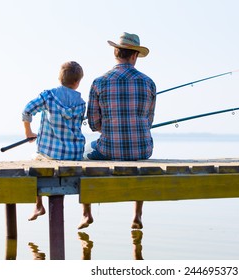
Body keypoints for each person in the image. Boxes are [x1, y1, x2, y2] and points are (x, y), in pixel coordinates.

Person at [81, 32, 156, 230]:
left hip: (109, 149)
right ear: (134, 56)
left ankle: (86, 213)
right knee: (138, 162)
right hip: (142, 150)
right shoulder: (149, 83)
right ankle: (137, 215)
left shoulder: (99, 82)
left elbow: (94, 124)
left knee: (84, 152)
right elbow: (148, 121)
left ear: (116, 53)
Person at [22, 61, 86, 221]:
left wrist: (28, 132)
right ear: (77, 82)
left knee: (34, 163)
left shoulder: (48, 96)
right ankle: (87, 212)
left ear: (59, 78)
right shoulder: (81, 103)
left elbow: (27, 110)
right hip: (74, 154)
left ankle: (38, 205)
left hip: (50, 153)